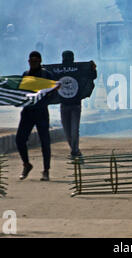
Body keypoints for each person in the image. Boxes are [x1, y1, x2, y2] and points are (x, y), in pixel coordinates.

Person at [16, 51, 55, 181]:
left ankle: (46, 170)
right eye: (31, 61)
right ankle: (26, 164)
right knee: (20, 139)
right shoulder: (25, 75)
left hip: (41, 112)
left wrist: (44, 101)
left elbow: (53, 92)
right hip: (27, 112)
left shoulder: (46, 75)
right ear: (28, 62)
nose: (33, 63)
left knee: (45, 142)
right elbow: (20, 92)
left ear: (40, 61)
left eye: (36, 61)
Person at [59, 50, 97, 159]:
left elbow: (91, 76)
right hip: (64, 104)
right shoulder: (59, 70)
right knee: (67, 130)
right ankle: (74, 150)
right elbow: (48, 77)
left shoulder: (78, 69)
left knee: (74, 129)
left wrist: (93, 68)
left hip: (75, 104)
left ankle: (75, 151)